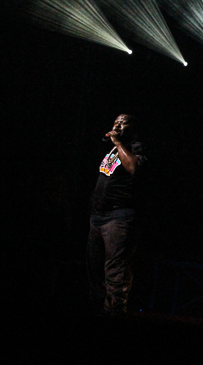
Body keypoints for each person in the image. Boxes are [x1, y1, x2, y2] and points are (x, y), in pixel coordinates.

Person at [87, 114, 148, 317]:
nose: (117, 125)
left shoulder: (136, 146)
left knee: (116, 269)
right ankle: (99, 311)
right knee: (95, 268)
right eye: (115, 122)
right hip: (98, 217)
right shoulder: (112, 149)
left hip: (118, 217)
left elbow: (133, 167)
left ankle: (114, 314)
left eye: (123, 122)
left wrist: (119, 143)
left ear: (133, 127)